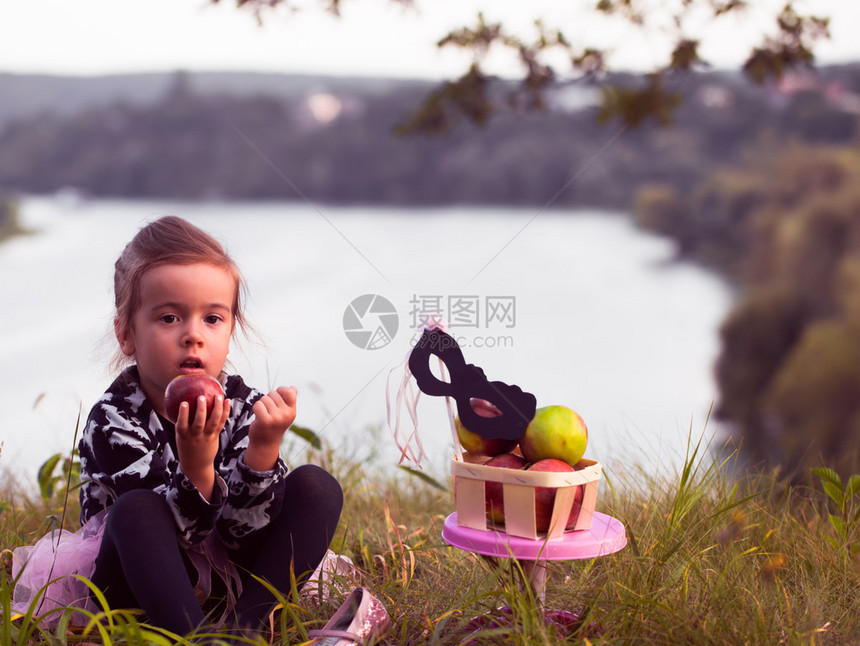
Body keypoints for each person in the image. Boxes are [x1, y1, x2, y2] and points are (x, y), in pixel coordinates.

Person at [59, 215, 342, 637]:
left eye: (212, 319)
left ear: (231, 331)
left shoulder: (243, 406)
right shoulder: (113, 421)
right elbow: (174, 535)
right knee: (136, 510)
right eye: (169, 318)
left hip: (230, 579)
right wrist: (196, 468)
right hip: (140, 587)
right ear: (126, 335)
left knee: (317, 486)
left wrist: (262, 450)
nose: (193, 336)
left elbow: (239, 537)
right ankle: (196, 640)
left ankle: (247, 628)